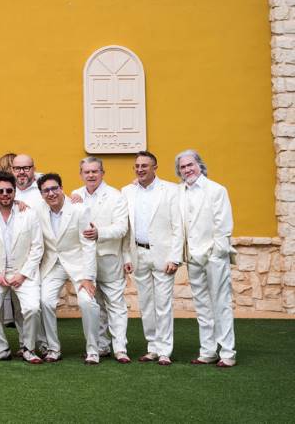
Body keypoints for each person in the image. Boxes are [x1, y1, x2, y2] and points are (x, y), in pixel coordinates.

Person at [0, 171, 44, 363]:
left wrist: (22, 275)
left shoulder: (29, 214)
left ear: (14, 192)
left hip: (23, 273)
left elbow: (37, 248)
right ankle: (2, 348)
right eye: (0, 191)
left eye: (9, 190)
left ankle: (29, 349)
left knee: (32, 308)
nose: (5, 194)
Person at [176, 150, 237, 368]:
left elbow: (224, 225)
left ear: (200, 165)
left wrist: (217, 253)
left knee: (221, 304)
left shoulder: (216, 190)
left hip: (214, 257)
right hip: (192, 258)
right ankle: (208, 351)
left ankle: (228, 353)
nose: (187, 170)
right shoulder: (179, 192)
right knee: (202, 306)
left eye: (190, 165)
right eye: (182, 167)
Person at [122, 151, 182, 365]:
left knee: (163, 304)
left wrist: (175, 257)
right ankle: (153, 347)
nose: (139, 169)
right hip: (138, 254)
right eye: (137, 166)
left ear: (155, 167)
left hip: (163, 256)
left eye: (144, 166)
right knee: (146, 304)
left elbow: (178, 226)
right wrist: (126, 256)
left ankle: (165, 350)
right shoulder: (127, 191)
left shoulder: (171, 191)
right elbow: (126, 228)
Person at [35, 173, 100, 364]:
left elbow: (88, 245)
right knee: (45, 301)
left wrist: (88, 277)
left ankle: (93, 350)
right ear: (41, 194)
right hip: (52, 265)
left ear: (62, 188)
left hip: (78, 265)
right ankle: (53, 348)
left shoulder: (80, 210)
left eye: (55, 188)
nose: (51, 193)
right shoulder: (38, 209)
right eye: (46, 190)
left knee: (87, 302)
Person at [73, 156, 131, 363]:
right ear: (81, 174)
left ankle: (120, 348)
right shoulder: (75, 196)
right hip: (85, 262)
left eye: (95, 171)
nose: (91, 175)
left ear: (102, 173)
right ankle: (100, 346)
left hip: (109, 259)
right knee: (93, 304)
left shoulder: (116, 196)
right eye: (86, 172)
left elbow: (122, 227)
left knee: (115, 305)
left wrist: (100, 233)